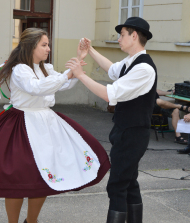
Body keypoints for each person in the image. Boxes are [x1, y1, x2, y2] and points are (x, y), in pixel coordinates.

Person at [0, 28, 110, 223]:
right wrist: (67, 75)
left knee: (42, 177)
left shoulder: (46, 68)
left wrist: (77, 64)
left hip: (46, 125)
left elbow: (61, 85)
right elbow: (36, 88)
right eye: (44, 45)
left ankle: (32, 220)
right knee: (17, 179)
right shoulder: (20, 69)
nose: (48, 49)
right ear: (31, 46)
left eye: (48, 44)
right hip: (22, 127)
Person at [66, 17, 155, 223]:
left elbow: (110, 94)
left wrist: (80, 75)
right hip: (125, 131)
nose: (118, 39)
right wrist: (92, 49)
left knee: (117, 185)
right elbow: (113, 69)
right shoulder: (131, 62)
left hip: (133, 134)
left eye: (122, 34)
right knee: (129, 182)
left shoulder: (144, 68)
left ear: (134, 36)